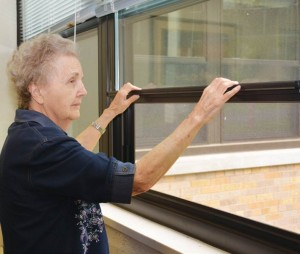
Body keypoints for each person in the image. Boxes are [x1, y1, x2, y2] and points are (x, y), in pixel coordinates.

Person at [0, 33, 240, 254]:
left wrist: (110, 113)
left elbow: (74, 157)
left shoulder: (30, 136)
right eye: (72, 81)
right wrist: (199, 115)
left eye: (81, 80)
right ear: (38, 91)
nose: (83, 90)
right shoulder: (43, 146)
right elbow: (139, 179)